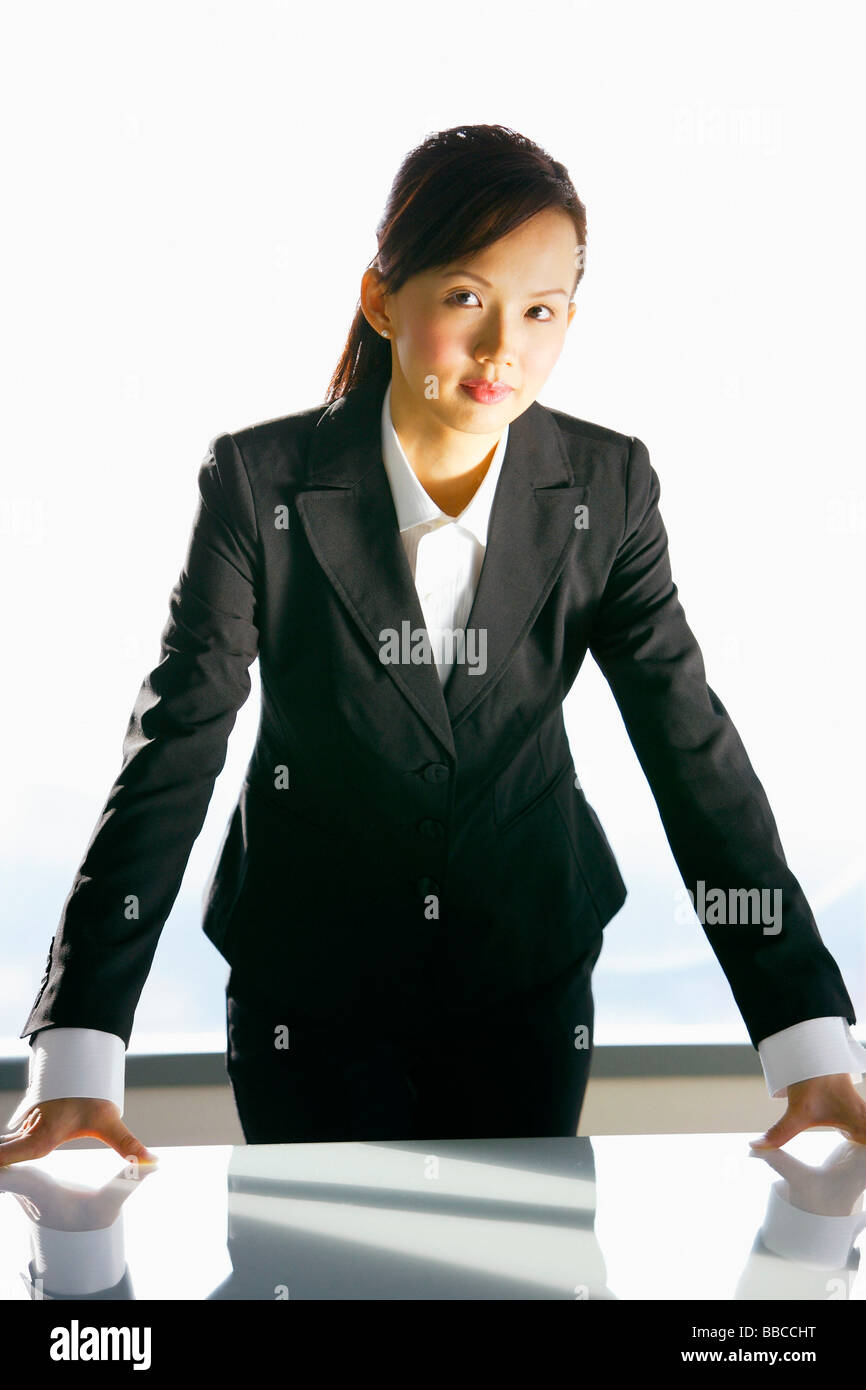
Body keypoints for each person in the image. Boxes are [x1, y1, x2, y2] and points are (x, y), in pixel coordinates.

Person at [3, 123, 866, 1167]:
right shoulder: (256, 482)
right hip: (307, 986)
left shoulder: (609, 487)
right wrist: (82, 1050)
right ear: (381, 299)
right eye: (465, 297)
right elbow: (175, 748)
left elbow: (692, 751)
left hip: (527, 970)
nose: (505, 345)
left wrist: (805, 1040)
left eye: (540, 311)